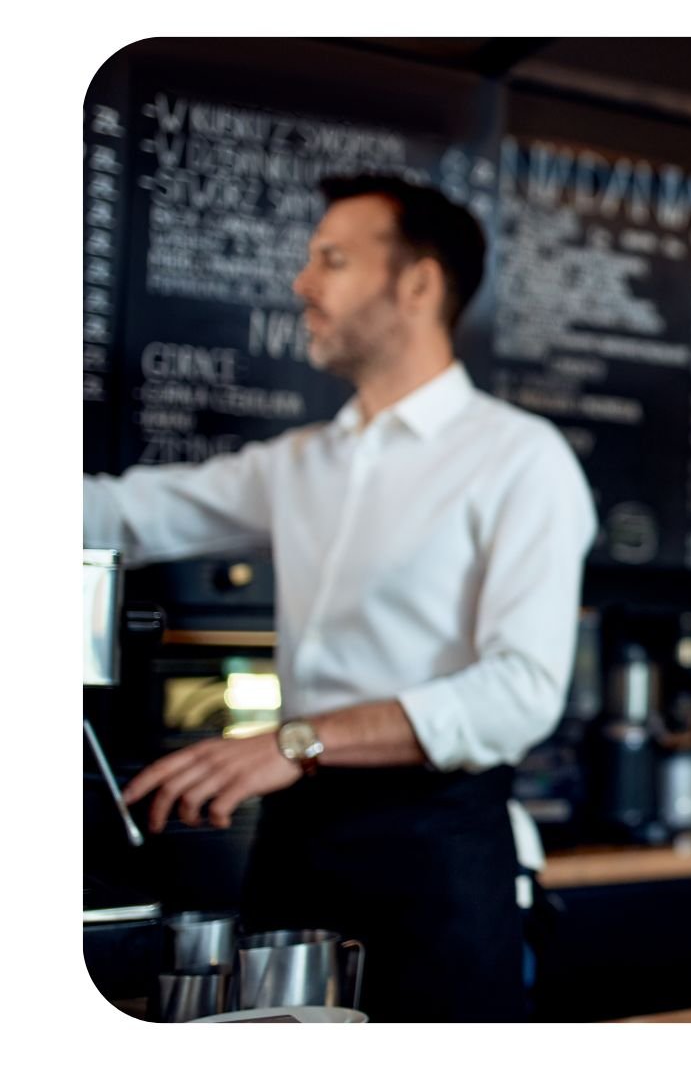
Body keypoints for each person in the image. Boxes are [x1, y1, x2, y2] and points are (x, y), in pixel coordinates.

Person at [89, 174, 597, 1022]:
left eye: (332, 260)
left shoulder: (521, 458)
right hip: (296, 845)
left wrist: (296, 740)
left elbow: (521, 691)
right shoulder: (300, 463)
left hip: (437, 852)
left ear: (418, 284)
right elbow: (118, 512)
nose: (302, 284)